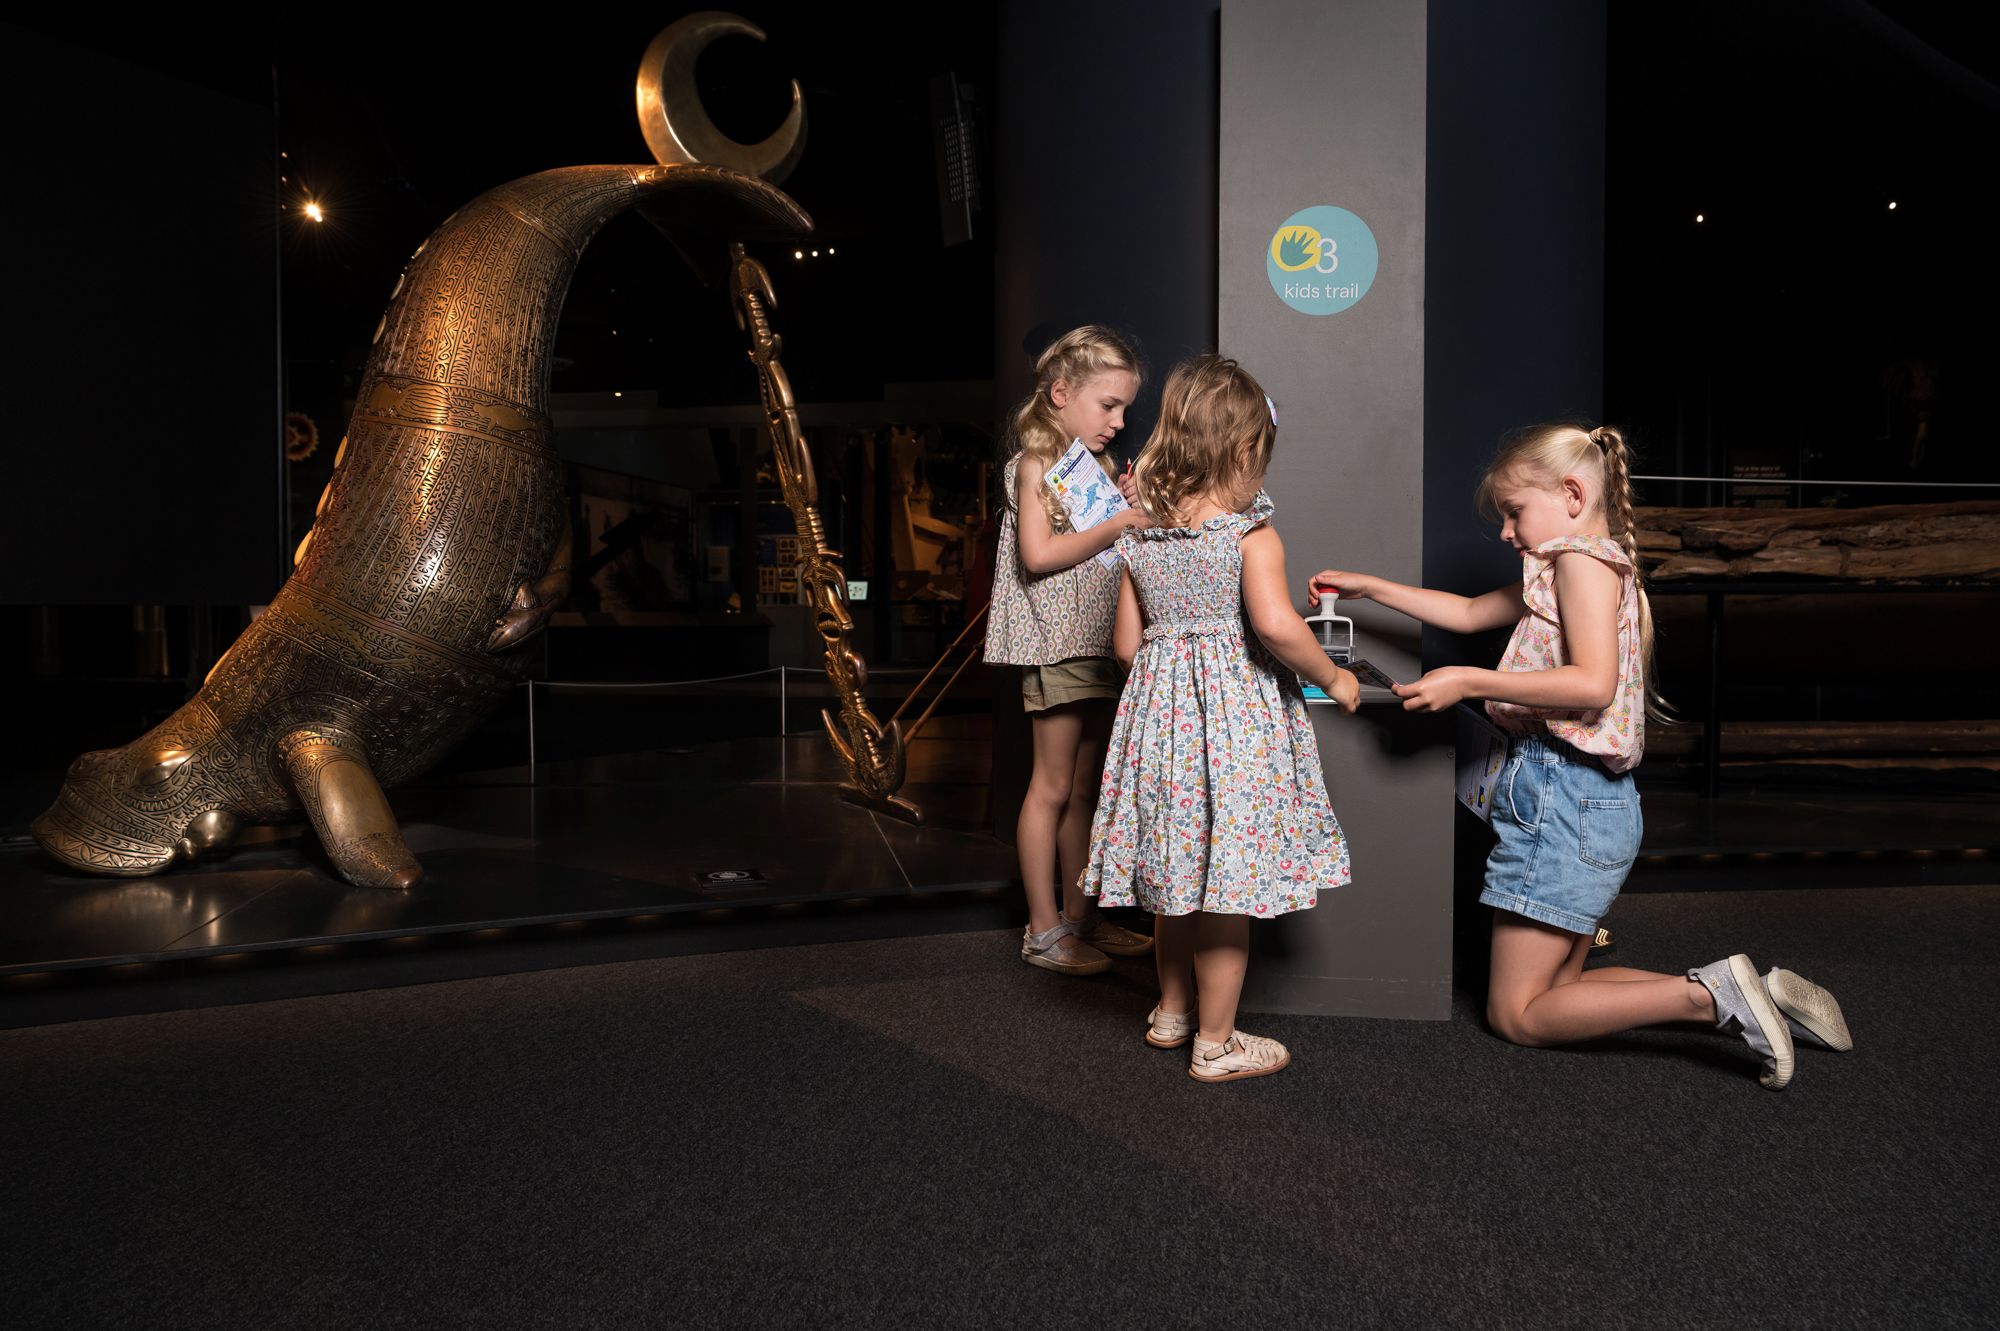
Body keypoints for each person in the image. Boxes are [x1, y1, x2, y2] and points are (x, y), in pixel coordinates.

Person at [1309, 423, 1852, 1089]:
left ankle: (1712, 996)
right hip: (1587, 802)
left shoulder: (1580, 560)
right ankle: (1753, 991)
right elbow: (1472, 610)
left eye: (1514, 511)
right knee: (1561, 986)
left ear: (1571, 493)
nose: (1507, 532)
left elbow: (1592, 684)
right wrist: (1371, 586)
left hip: (1564, 799)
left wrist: (1468, 682)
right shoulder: (1584, 560)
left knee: (1516, 1012)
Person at [1081, 355, 1359, 1083]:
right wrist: (1334, 674)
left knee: (1177, 881)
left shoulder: (1137, 537)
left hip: (1161, 724)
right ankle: (1217, 1041)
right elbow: (1276, 626)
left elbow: (1123, 646)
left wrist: (1170, 677)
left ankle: (1170, 1013)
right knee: (1226, 892)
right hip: (1234, 725)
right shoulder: (1247, 536)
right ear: (1243, 452)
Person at [984, 326, 1156, 975]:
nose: (1118, 420)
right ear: (1060, 393)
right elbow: (1037, 555)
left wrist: (1128, 506)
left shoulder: (1099, 469)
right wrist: (1117, 521)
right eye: (1107, 405)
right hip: (1056, 647)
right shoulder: (1034, 461)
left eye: (1123, 409)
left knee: (1085, 787)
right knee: (1051, 786)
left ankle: (1082, 918)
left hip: (1098, 646)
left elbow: (1112, 556)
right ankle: (1043, 929)